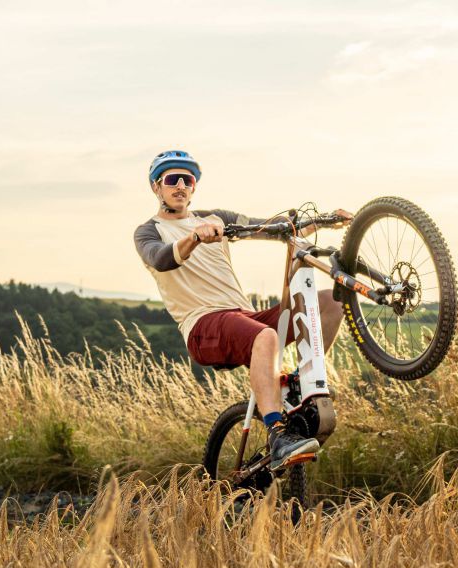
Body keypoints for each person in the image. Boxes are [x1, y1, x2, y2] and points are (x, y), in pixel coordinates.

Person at [134, 150, 352, 470]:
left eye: (187, 180)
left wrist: (323, 221)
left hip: (243, 316)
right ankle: (278, 434)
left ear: (194, 187)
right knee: (264, 336)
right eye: (171, 180)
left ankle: (299, 385)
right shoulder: (148, 231)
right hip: (203, 325)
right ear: (157, 187)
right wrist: (194, 238)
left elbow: (274, 226)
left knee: (331, 301)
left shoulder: (215, 218)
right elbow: (160, 258)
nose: (180, 185)